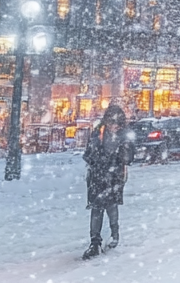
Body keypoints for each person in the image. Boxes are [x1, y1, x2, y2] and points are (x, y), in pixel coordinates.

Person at [82, 103, 131, 259]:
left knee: (110, 206)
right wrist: (99, 159)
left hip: (113, 177)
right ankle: (95, 242)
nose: (114, 126)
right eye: (111, 122)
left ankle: (114, 234)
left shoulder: (124, 136)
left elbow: (129, 158)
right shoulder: (99, 133)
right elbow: (89, 154)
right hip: (98, 176)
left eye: (117, 123)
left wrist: (119, 156)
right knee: (98, 208)